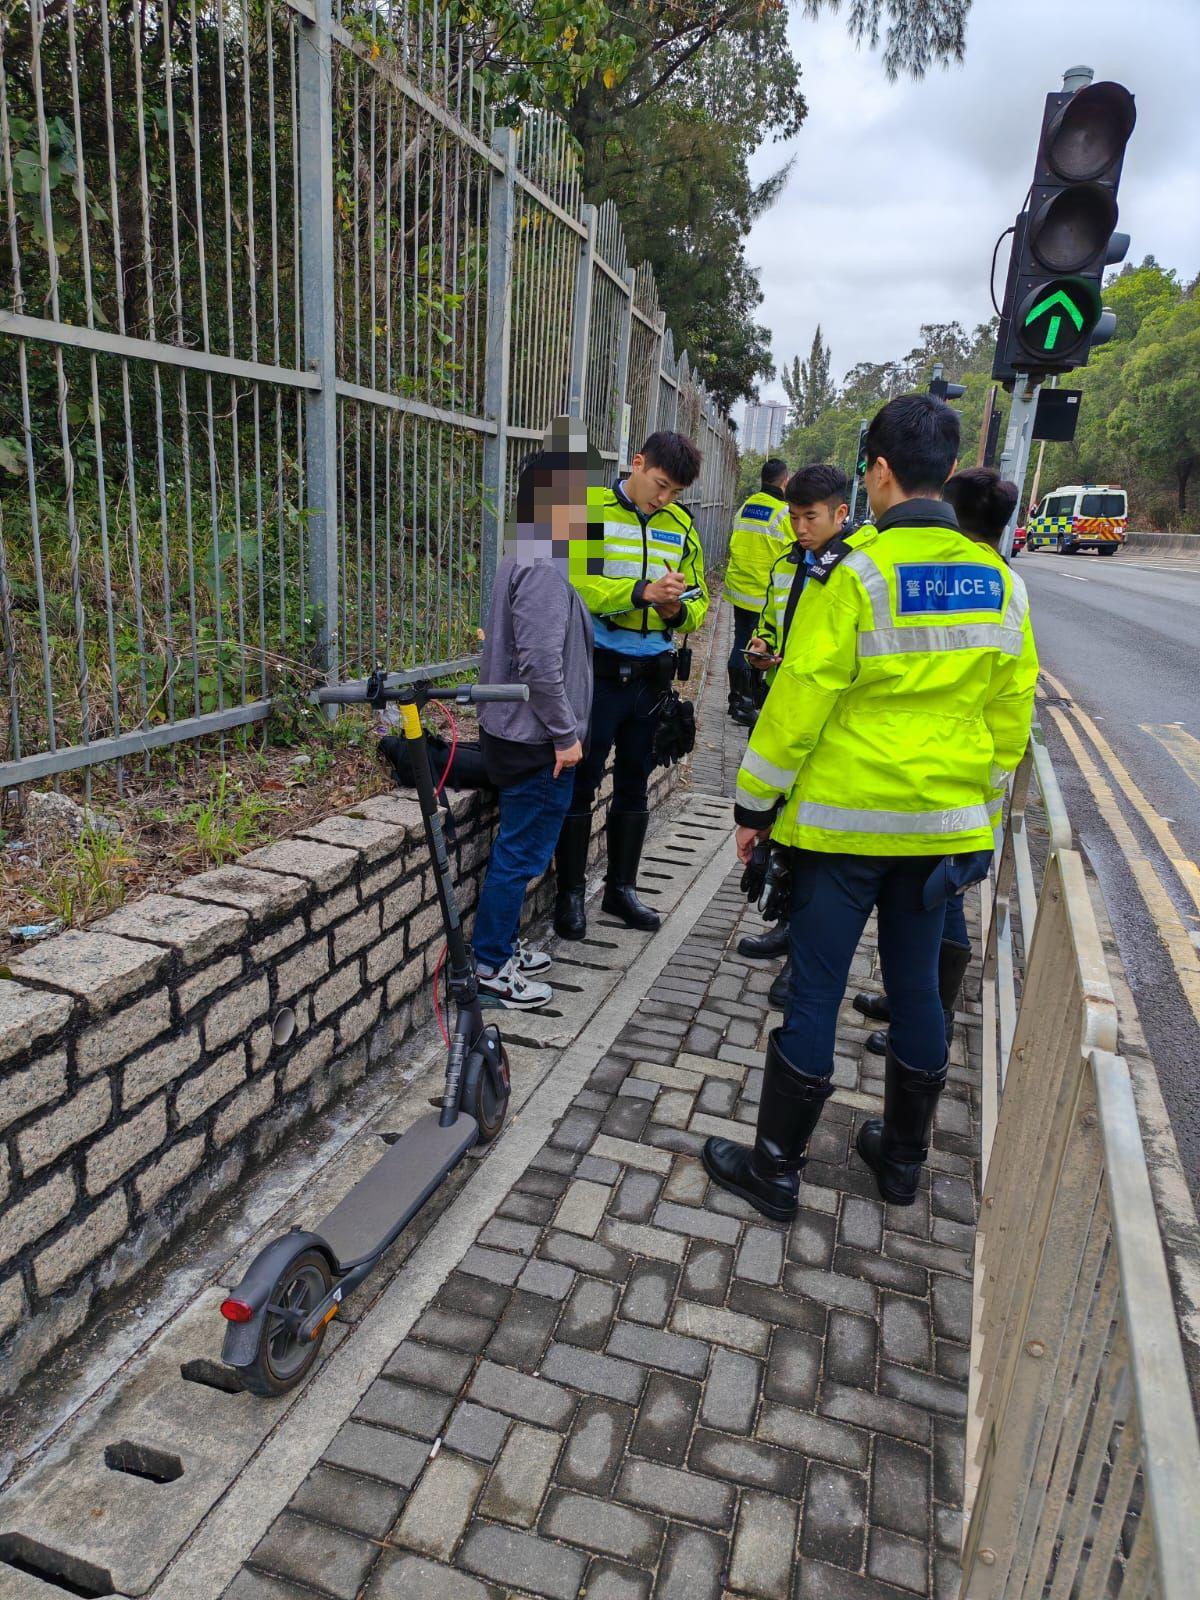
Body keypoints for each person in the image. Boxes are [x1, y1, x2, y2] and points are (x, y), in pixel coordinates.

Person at [702, 394, 1038, 1220]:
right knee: (919, 990)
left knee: (815, 989)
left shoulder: (857, 576)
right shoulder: (1003, 586)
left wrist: (752, 807)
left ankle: (777, 1173)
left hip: (844, 829)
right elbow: (1011, 721)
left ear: (879, 473)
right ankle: (900, 1166)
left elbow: (800, 699)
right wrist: (973, 815)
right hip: (939, 835)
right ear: (949, 472)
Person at [853, 467, 1022, 1056]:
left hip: (918, 790)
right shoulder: (1001, 584)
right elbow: (1013, 708)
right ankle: (914, 1007)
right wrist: (988, 796)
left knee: (940, 911)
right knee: (934, 906)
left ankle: (931, 1017)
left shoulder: (905, 568)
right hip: (958, 790)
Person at [553, 431, 708, 940]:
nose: (663, 499)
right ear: (636, 463)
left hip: (652, 675)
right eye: (659, 485)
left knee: (635, 783)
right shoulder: (589, 508)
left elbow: (702, 598)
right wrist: (641, 593)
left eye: (674, 492)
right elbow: (577, 582)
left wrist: (677, 608)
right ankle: (570, 896)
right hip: (596, 670)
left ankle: (622, 890)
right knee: (581, 780)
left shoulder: (682, 526)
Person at [471, 420, 596, 1008]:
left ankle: (501, 944)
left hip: (515, 733)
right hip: (538, 741)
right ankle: (491, 964)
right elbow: (540, 666)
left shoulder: (523, 552)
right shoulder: (544, 565)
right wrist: (567, 736)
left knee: (515, 849)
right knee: (520, 854)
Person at [737, 465, 851, 999]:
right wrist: (761, 648)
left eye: (811, 517)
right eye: (794, 516)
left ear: (840, 514)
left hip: (825, 726)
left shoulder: (852, 572)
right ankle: (785, 927)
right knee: (783, 834)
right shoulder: (787, 564)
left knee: (813, 849)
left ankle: (803, 961)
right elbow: (769, 620)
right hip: (783, 709)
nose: (801, 528)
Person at [724, 457, 791, 726]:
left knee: (741, 641)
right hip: (762, 594)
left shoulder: (746, 507)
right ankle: (744, 702)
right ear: (784, 481)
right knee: (753, 649)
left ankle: (736, 700)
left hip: (739, 587)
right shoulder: (784, 514)